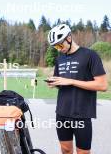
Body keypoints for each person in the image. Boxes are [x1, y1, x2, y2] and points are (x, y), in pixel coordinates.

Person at [46, 24, 108, 154]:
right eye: (56, 46)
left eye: (60, 45)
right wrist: (54, 83)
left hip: (82, 115)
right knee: (66, 150)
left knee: (83, 152)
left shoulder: (90, 55)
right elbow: (62, 82)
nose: (59, 49)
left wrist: (72, 81)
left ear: (69, 37)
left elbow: (102, 85)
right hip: (61, 113)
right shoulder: (60, 58)